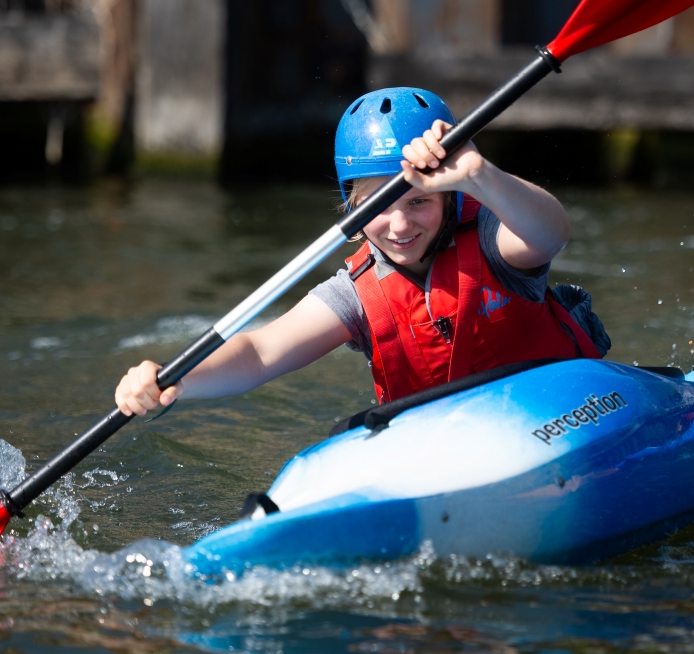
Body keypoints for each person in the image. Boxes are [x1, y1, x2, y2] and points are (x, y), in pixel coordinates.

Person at [115, 88, 608, 418]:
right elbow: (260, 353)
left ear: (449, 197)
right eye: (377, 207)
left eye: (419, 202)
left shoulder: (491, 240)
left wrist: (480, 175)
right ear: (351, 210)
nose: (400, 225)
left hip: (559, 413)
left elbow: (551, 234)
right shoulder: (355, 294)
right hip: (449, 444)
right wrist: (174, 379)